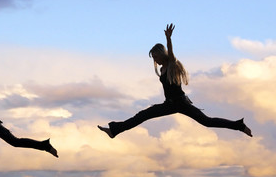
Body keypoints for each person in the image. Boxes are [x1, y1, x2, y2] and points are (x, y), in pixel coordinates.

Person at [98, 24, 252, 138]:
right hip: (169, 104)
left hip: (181, 103)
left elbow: (171, 54)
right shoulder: (163, 69)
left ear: (162, 54)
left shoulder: (172, 65)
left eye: (156, 57)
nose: (155, 61)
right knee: (142, 115)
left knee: (207, 121)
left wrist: (168, 39)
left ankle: (239, 125)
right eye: (154, 58)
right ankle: (114, 130)